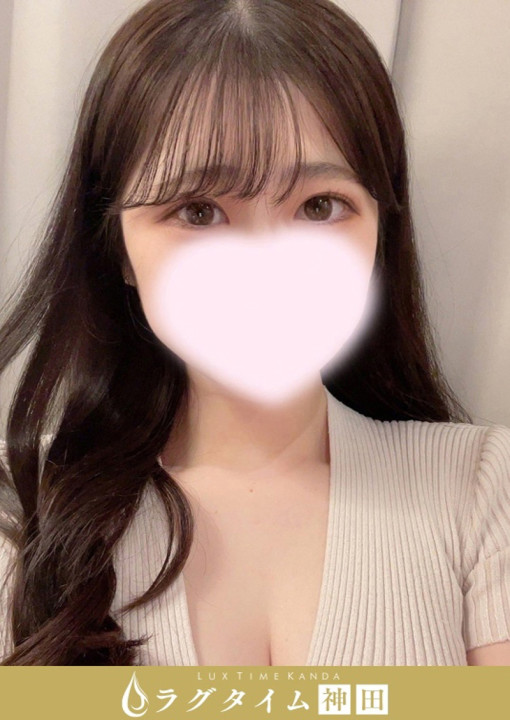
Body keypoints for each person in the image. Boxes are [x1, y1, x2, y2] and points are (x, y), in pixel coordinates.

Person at [1, 0, 509, 667]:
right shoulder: (22, 513)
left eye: (319, 206)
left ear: (379, 230)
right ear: (118, 247)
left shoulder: (480, 488)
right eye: (198, 210)